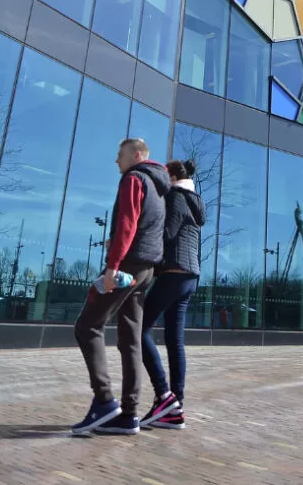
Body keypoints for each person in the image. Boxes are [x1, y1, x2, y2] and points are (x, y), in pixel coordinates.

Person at [71, 138, 170, 436]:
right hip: (146, 269)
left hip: (126, 266)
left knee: (88, 326)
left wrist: (113, 265)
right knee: (130, 337)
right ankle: (128, 414)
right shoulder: (160, 189)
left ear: (136, 155)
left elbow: (128, 221)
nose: (117, 161)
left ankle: (104, 401)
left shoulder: (135, 178)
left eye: (120, 155)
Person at [140, 158, 206, 431]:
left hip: (174, 273)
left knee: (138, 330)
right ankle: (175, 406)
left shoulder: (176, 198)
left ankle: (164, 396)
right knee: (174, 340)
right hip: (190, 276)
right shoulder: (194, 200)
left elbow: (166, 234)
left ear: (171, 176)